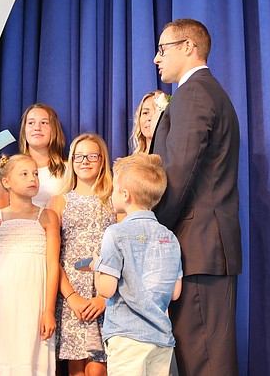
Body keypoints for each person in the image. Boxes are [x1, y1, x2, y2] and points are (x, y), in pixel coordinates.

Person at [150, 18, 242, 376]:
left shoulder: (194, 93)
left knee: (204, 360)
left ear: (188, 47)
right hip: (206, 245)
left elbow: (179, 170)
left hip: (198, 245)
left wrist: (152, 231)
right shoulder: (207, 91)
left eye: (162, 49)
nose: (156, 59)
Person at [93, 153, 183, 376]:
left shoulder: (116, 233)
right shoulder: (170, 237)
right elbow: (175, 293)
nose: (111, 194)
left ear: (125, 195)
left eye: (114, 189)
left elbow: (107, 289)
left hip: (126, 337)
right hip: (161, 337)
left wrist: (97, 266)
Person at [0, 154, 60, 374]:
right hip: (1, 303)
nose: (32, 178)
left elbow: (53, 266)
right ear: (6, 182)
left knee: (32, 358)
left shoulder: (48, 217)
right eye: (24, 174)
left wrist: (48, 310)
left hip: (34, 301)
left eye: (35, 174)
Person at [50, 133, 115, 376]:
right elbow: (52, 256)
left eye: (92, 156)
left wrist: (104, 298)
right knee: (76, 370)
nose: (84, 161)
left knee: (98, 370)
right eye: (78, 156)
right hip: (71, 297)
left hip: (105, 295)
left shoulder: (114, 199)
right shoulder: (59, 202)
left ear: (102, 160)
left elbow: (125, 253)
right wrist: (71, 297)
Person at [0, 103, 67, 211]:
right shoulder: (6, 167)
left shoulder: (68, 169)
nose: (37, 128)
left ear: (54, 130)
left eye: (44, 122)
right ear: (24, 130)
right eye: (31, 122)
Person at [129, 90, 166, 154]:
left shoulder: (172, 158)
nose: (150, 118)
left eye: (157, 112)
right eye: (145, 113)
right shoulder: (134, 161)